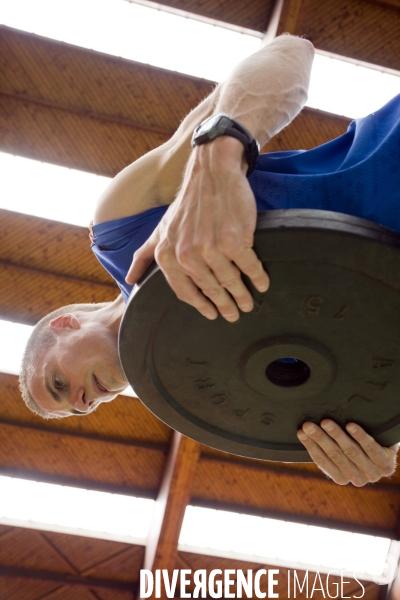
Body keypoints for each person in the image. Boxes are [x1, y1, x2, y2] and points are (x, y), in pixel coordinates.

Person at [19, 35, 399, 487]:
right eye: (81, 409)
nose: (84, 404)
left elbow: (290, 53)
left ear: (65, 324)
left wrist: (216, 157)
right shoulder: (220, 385)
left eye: (60, 383)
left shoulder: (121, 229)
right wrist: (379, 431)